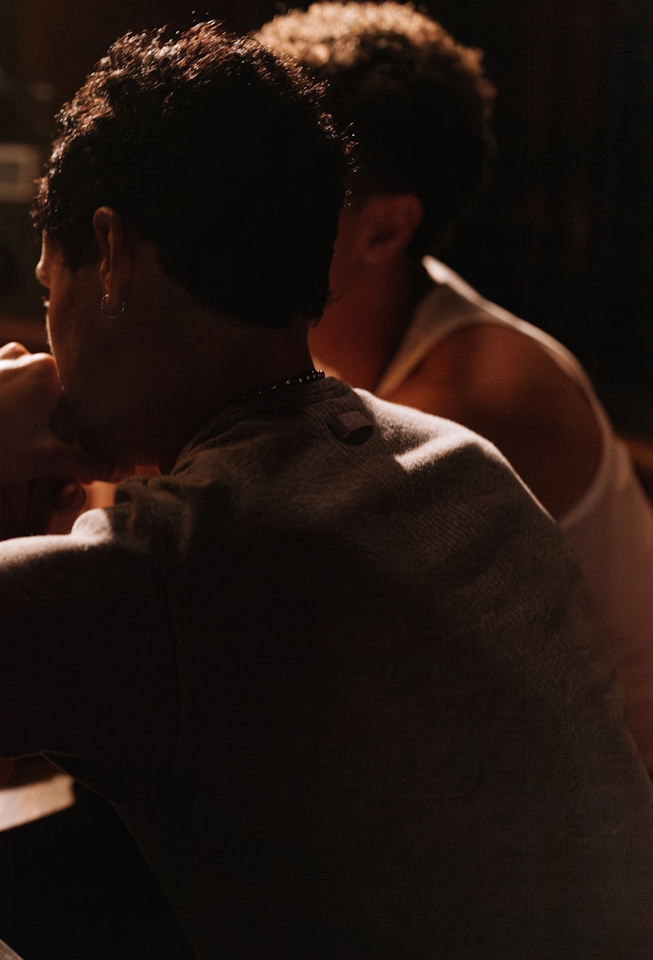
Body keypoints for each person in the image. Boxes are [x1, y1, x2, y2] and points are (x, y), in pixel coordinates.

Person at [0, 24, 653, 958]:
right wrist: (15, 549)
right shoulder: (459, 468)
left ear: (108, 253)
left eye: (48, 295)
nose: (49, 332)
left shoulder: (153, 573)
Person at [256, 2, 653, 769]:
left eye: (275, 189)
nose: (230, 215)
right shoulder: (355, 341)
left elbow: (275, 647)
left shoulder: (466, 403)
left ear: (384, 228)